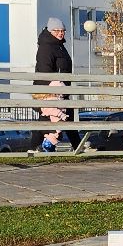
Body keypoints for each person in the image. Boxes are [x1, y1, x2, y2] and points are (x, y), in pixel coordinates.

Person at [33, 18, 72, 152]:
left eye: (63, 31)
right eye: (57, 31)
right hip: (50, 92)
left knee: (60, 118)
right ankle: (35, 147)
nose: (61, 33)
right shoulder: (47, 47)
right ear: (50, 31)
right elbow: (45, 70)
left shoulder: (59, 46)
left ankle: (34, 147)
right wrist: (56, 85)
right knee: (50, 119)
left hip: (59, 90)